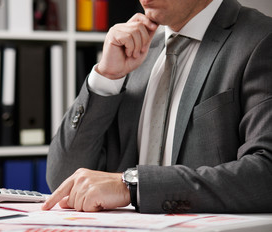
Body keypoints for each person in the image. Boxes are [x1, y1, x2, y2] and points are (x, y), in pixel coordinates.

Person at [42, 0, 272, 214]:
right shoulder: (135, 49)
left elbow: (266, 174)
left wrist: (132, 186)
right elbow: (63, 178)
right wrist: (106, 78)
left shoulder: (261, 39)